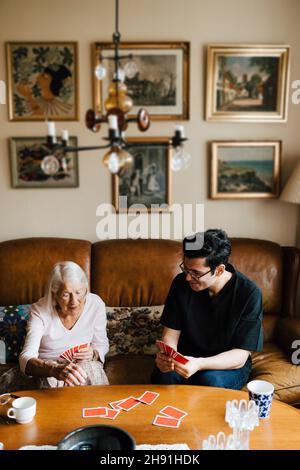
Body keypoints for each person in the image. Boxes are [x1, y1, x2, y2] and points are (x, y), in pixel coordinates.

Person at [151, 229, 263, 390]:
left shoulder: (249, 293)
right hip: (186, 357)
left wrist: (199, 363)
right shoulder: (181, 283)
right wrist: (168, 358)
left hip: (225, 364)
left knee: (210, 381)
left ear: (219, 270)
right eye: (186, 269)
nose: (188, 277)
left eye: (196, 273)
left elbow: (240, 355)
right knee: (163, 376)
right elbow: (170, 335)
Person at [0, 261, 109, 392]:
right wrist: (52, 369)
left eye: (79, 292)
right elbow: (26, 358)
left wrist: (94, 354)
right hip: (48, 367)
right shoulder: (39, 311)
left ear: (86, 288)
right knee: (50, 381)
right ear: (54, 294)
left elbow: (101, 344)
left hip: (82, 365)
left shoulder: (96, 304)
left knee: (90, 370)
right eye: (66, 294)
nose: (74, 301)